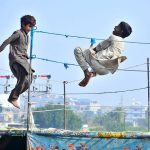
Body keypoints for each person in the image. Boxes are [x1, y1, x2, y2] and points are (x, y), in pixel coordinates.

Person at [74, 21, 132, 87]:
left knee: (78, 49)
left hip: (98, 62)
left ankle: (86, 72)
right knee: (101, 65)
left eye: (117, 27)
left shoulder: (113, 37)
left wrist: (91, 49)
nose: (115, 27)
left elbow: (99, 47)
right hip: (106, 71)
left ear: (121, 31)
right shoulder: (122, 44)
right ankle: (92, 74)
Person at [0, 15, 36, 108]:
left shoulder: (26, 35)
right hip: (17, 60)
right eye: (29, 26)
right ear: (24, 25)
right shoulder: (18, 33)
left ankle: (14, 97)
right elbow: (7, 41)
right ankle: (13, 97)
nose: (30, 29)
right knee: (24, 78)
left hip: (23, 61)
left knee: (29, 79)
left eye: (32, 27)